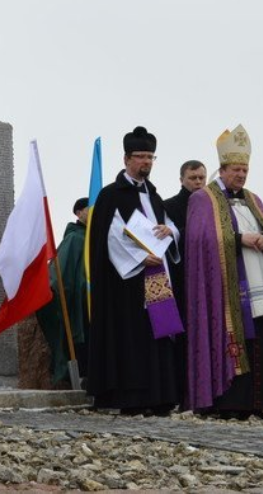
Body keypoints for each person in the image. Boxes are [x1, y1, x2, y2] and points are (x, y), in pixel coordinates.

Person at [185, 125, 263, 420]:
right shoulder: (204, 198)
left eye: (245, 170)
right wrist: (239, 240)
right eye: (236, 169)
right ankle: (228, 403)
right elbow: (200, 240)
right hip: (226, 289)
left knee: (260, 341)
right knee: (234, 341)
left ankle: (257, 403)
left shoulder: (253, 199)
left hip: (259, 282)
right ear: (222, 170)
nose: (241, 175)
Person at [85, 127, 183, 416]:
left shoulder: (154, 195)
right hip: (126, 283)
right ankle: (133, 397)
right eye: (140, 157)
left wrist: (170, 231)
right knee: (133, 335)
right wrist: (141, 258)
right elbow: (111, 238)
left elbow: (168, 225)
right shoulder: (111, 195)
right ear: (126, 159)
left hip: (158, 276)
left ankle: (160, 395)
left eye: (150, 157)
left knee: (160, 332)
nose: (146, 162)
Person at [163, 159, 206, 406]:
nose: (198, 182)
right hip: (181, 279)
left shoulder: (213, 206)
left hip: (208, 281)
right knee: (182, 337)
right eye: (193, 178)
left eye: (201, 177)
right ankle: (181, 393)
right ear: (182, 180)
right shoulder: (168, 206)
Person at [35, 197, 89, 387]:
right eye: (88, 209)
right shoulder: (74, 239)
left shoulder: (96, 238)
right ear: (79, 213)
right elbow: (58, 274)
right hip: (78, 301)